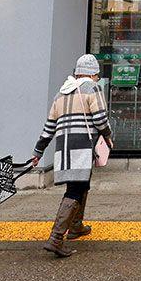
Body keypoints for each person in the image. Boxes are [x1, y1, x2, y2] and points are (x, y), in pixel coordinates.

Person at [31, 53, 113, 258]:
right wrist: (108, 136)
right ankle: (56, 238)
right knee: (75, 189)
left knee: (81, 184)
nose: (97, 78)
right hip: (82, 146)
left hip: (64, 147)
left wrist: (38, 151)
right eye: (96, 75)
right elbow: (100, 119)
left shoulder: (61, 93)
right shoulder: (92, 88)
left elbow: (49, 127)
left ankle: (76, 226)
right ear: (92, 74)